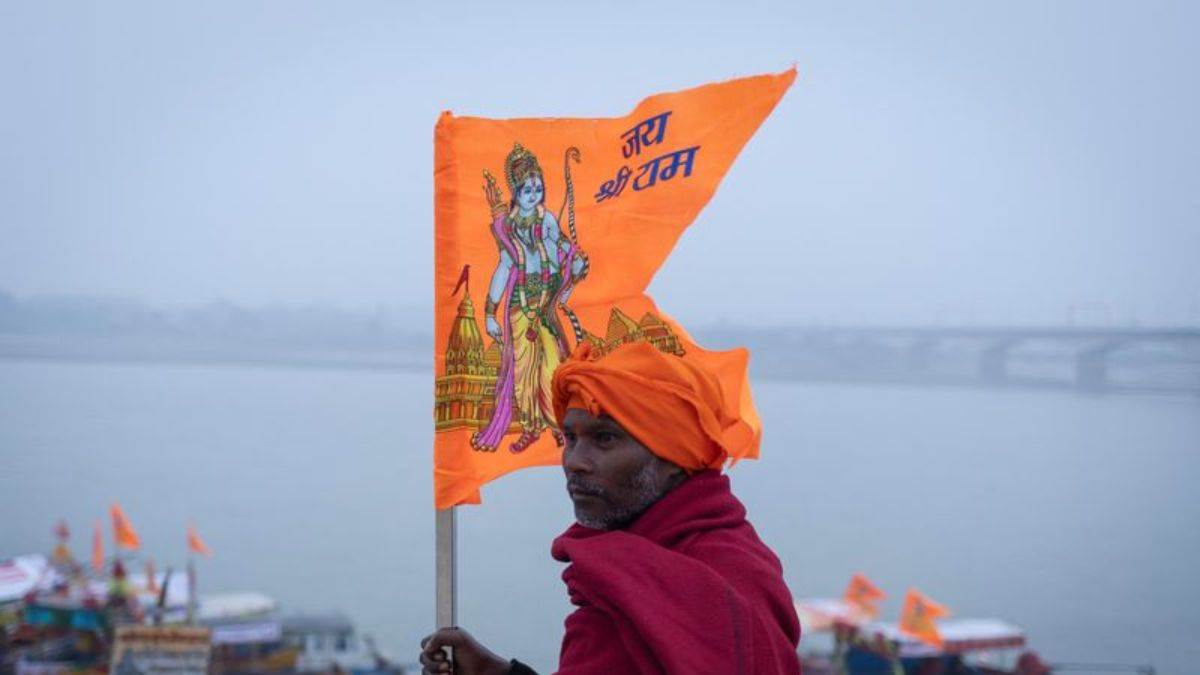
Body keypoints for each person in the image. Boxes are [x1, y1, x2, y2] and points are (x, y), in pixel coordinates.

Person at [421, 341, 802, 674]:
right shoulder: (655, 567)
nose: (574, 461)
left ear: (673, 457)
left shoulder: (722, 574)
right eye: (569, 437)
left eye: (605, 438)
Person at [470, 143, 588, 454]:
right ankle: (531, 427)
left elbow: (562, 244)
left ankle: (558, 424)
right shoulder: (507, 227)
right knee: (523, 372)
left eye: (538, 188)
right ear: (516, 193)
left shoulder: (546, 219)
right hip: (519, 306)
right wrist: (490, 312)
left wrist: (575, 262)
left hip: (545, 305)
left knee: (552, 366)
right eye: (527, 189)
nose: (534, 194)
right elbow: (503, 267)